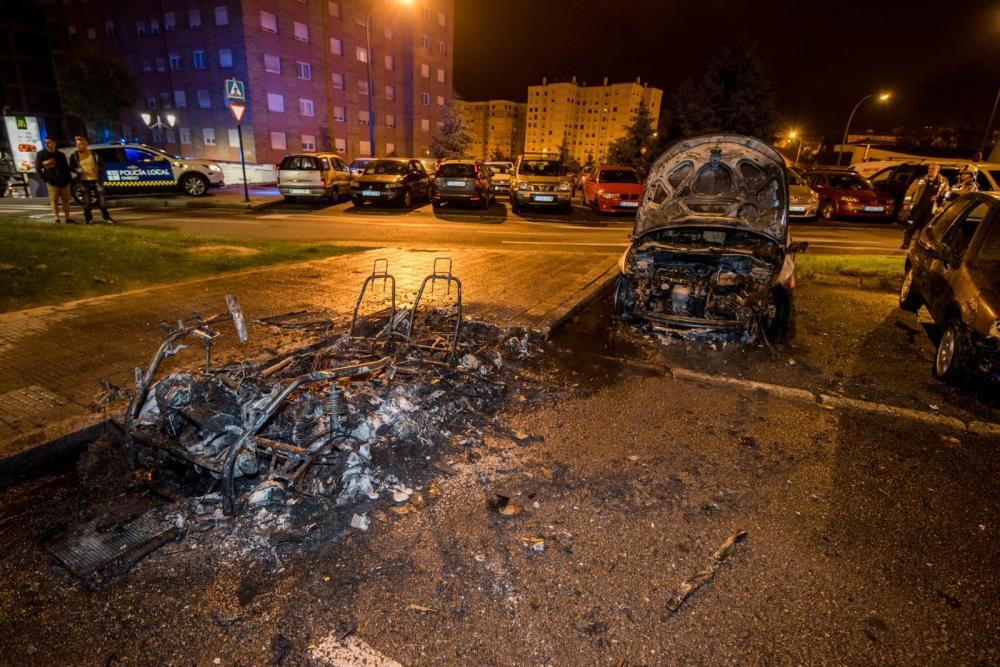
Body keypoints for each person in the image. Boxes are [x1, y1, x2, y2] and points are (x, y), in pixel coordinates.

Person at [900, 163, 948, 248]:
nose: (930, 170)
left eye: (933, 169)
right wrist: (906, 203)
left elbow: (946, 195)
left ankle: (918, 246)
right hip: (918, 207)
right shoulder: (920, 179)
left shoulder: (943, 181)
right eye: (929, 169)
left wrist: (940, 202)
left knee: (925, 229)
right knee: (911, 226)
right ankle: (906, 243)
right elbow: (910, 191)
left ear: (938, 170)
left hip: (931, 209)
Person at [68, 136, 114, 224]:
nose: (79, 146)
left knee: (102, 201)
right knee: (87, 201)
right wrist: (76, 170)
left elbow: (102, 166)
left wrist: (98, 169)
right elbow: (71, 167)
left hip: (96, 180)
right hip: (83, 181)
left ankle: (106, 217)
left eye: (81, 144)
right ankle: (89, 219)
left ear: (86, 144)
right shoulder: (74, 156)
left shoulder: (94, 154)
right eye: (77, 144)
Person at [35, 137, 76, 223]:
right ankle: (57, 218)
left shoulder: (60, 155)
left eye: (49, 142)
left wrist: (68, 179)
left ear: (54, 143)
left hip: (64, 181)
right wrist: (45, 180)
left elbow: (66, 168)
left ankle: (68, 217)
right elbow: (38, 169)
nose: (47, 144)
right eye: (45, 143)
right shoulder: (41, 154)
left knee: (66, 200)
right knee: (54, 200)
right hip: (51, 181)